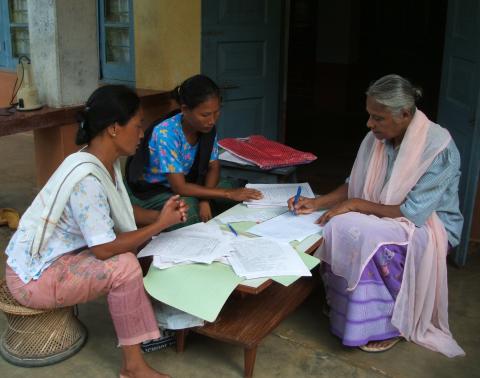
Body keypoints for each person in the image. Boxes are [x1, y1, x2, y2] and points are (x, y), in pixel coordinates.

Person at [5, 85, 188, 378]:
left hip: (47, 258)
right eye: (138, 126)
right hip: (33, 276)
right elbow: (104, 249)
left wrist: (162, 216)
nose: (142, 134)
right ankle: (133, 368)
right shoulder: (87, 180)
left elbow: (124, 213)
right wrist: (160, 224)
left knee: (143, 241)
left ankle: (148, 323)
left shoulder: (102, 163)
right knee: (125, 265)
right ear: (114, 128)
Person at [288, 74, 465, 357]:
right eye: (369, 115)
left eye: (378, 118)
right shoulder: (378, 138)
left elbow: (413, 213)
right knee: (337, 223)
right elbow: (354, 181)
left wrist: (357, 205)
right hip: (385, 214)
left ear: (405, 114)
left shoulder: (440, 148)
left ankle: (386, 325)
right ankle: (345, 308)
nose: (370, 124)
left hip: (429, 227)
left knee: (367, 236)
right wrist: (317, 202)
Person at [126, 74, 262, 225]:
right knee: (190, 209)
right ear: (184, 109)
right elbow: (180, 187)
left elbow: (213, 166)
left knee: (234, 188)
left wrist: (205, 199)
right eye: (205, 114)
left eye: (217, 112)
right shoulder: (166, 134)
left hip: (188, 181)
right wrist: (228, 194)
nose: (212, 120)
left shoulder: (206, 128)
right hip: (155, 190)